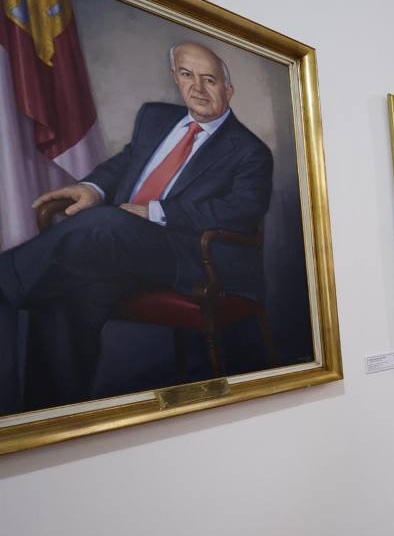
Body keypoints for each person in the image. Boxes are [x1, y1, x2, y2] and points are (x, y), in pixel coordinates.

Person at [0, 42, 273, 411]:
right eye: (187, 75)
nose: (197, 88)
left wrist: (156, 212)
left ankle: (5, 280)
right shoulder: (156, 118)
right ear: (175, 77)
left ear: (229, 89)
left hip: (189, 256)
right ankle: (50, 415)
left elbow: (239, 211)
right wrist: (91, 187)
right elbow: (126, 163)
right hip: (121, 250)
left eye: (209, 80)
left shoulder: (250, 152)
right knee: (66, 290)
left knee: (105, 223)